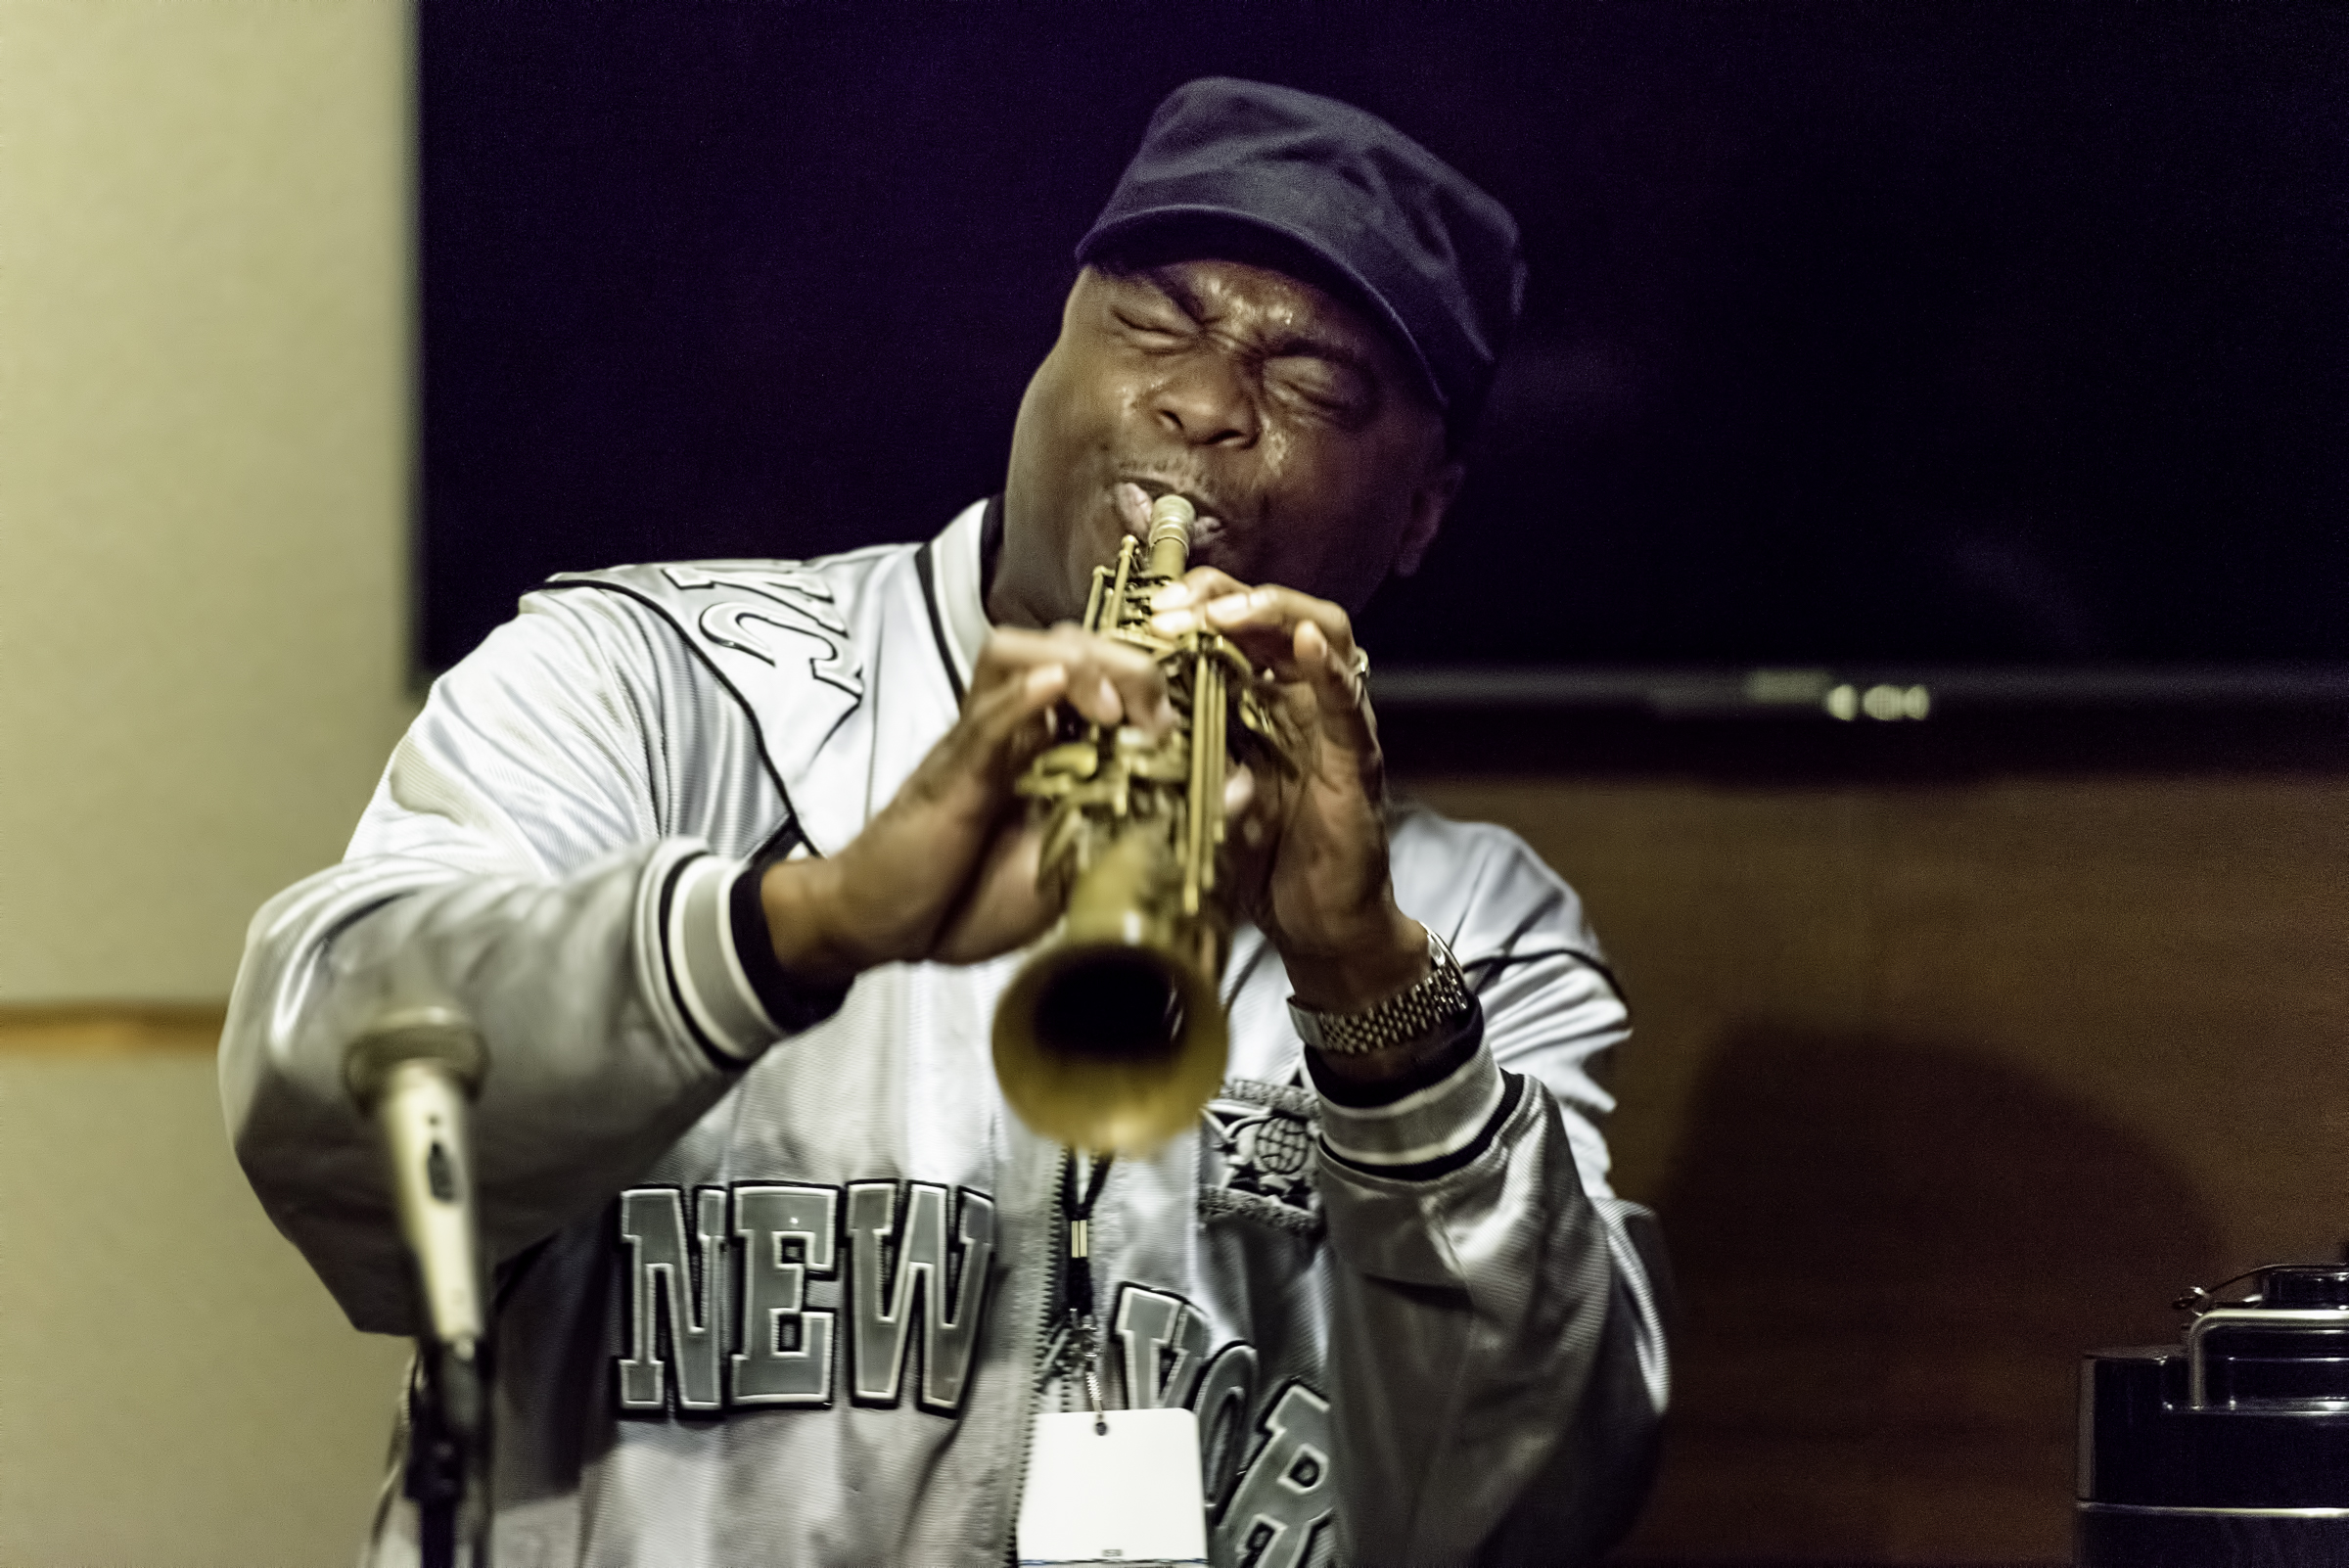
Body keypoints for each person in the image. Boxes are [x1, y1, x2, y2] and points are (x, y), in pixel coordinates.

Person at [222, 77, 1668, 1567]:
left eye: (1311, 383)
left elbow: (1538, 1496)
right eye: (1155, 321)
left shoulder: (1472, 927)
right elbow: (328, 1107)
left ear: (1423, 511)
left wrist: (1372, 994)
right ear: (1055, 347)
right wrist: (806, 924)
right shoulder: (650, 680)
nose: (1203, 403)